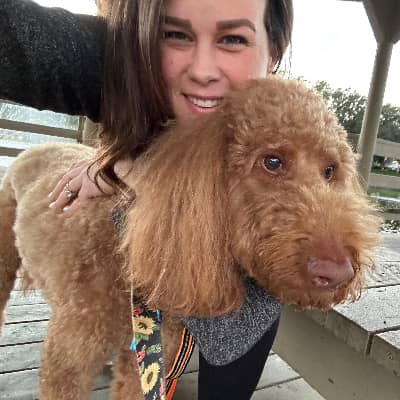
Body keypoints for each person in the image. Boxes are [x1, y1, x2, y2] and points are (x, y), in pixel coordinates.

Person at [0, 0, 293, 398]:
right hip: (105, 258)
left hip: (222, 295)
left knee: (244, 320)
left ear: (273, 52)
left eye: (232, 39)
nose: (203, 71)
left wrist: (137, 169)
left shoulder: (287, 131)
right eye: (174, 34)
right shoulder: (115, 60)